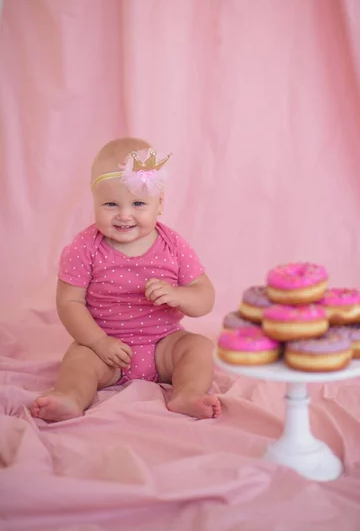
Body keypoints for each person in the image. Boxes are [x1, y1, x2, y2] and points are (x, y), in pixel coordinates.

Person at [31, 137, 221, 422]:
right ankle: (70, 397)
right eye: (110, 204)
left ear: (159, 204)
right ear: (94, 201)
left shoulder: (173, 244)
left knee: (200, 348)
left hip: (164, 345)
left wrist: (180, 295)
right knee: (78, 361)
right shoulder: (85, 247)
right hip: (106, 350)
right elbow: (69, 302)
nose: (124, 215)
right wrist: (98, 342)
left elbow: (205, 296)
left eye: (138, 203)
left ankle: (187, 393)